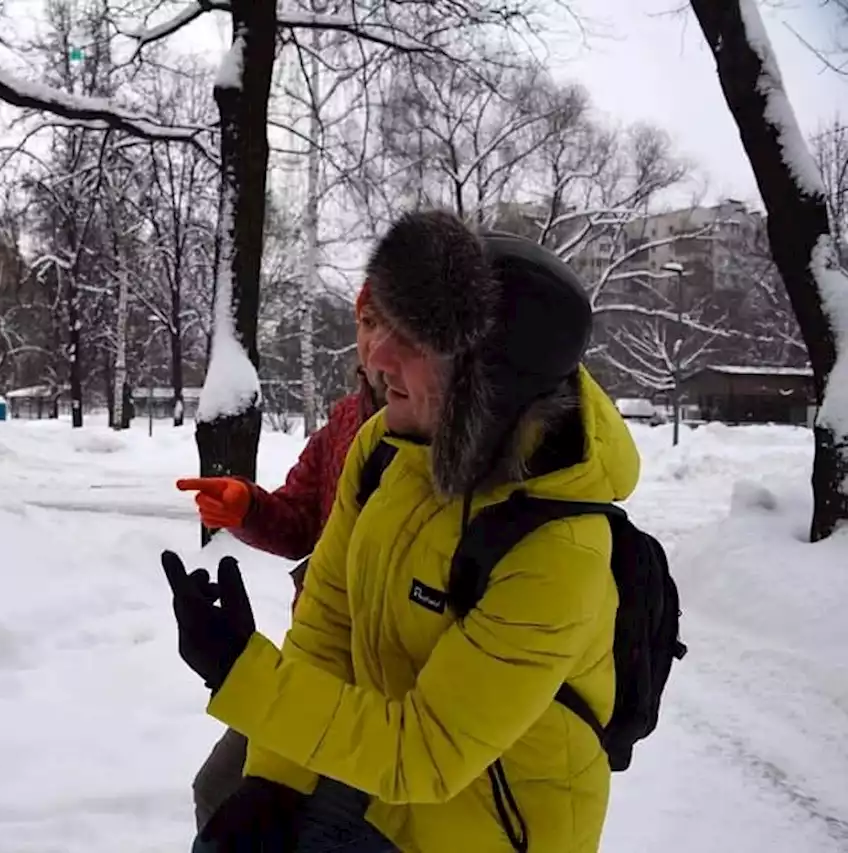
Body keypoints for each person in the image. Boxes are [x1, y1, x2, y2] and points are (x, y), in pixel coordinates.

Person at [161, 209, 641, 853]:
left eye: (414, 341)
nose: (378, 357)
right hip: (380, 759)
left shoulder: (560, 550)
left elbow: (428, 753)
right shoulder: (385, 446)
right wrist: (274, 781)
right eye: (380, 324)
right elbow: (331, 621)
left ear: (487, 384)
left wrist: (240, 673)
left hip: (486, 819)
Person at [175, 289, 385, 831]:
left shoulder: (452, 433)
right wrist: (247, 506)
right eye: (368, 322)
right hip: (314, 660)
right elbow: (299, 520)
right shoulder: (345, 421)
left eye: (397, 325)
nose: (377, 341)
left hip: (389, 688)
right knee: (219, 789)